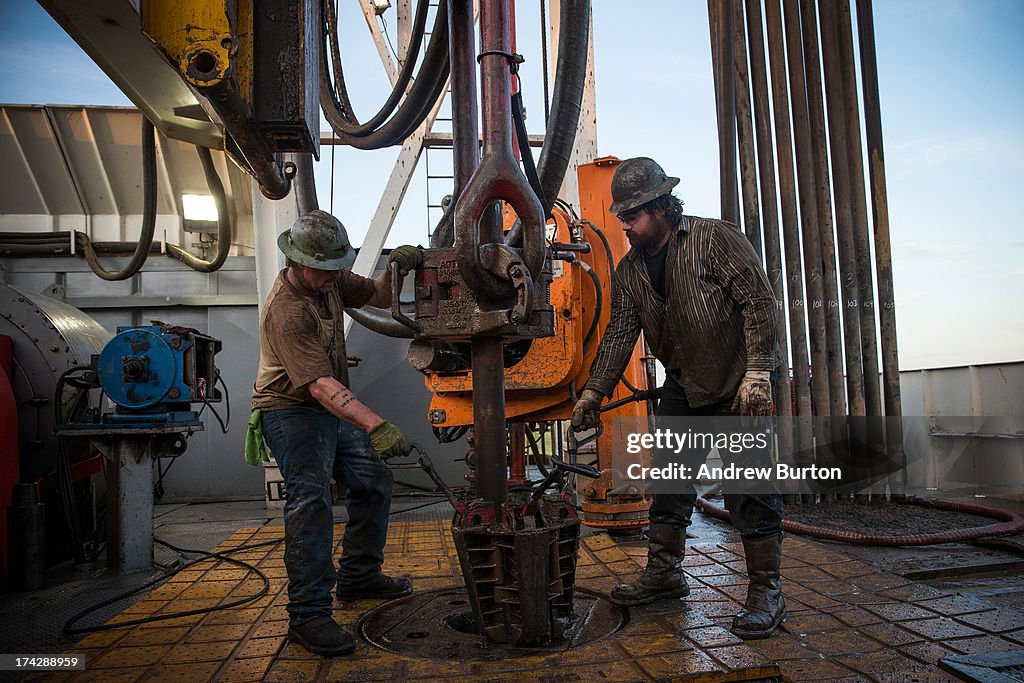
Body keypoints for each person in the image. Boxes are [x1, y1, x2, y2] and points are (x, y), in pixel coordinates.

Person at [571, 157, 786, 639]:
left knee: (749, 491)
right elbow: (620, 333)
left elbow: (758, 300)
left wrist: (757, 372)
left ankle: (767, 593)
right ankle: (666, 574)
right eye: (621, 216)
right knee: (669, 485)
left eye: (631, 216)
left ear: (661, 207)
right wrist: (594, 392)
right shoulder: (630, 271)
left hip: (737, 386)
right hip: (684, 386)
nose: (623, 224)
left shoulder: (714, 238)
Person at [251, 210, 424, 656]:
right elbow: (320, 387)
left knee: (373, 481)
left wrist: (396, 267)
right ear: (297, 260)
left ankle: (359, 576)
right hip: (290, 411)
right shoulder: (287, 312)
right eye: (324, 269)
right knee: (311, 501)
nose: (333, 277)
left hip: (326, 406)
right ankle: (308, 615)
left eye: (336, 268)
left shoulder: (330, 278)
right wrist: (377, 425)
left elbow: (381, 297)